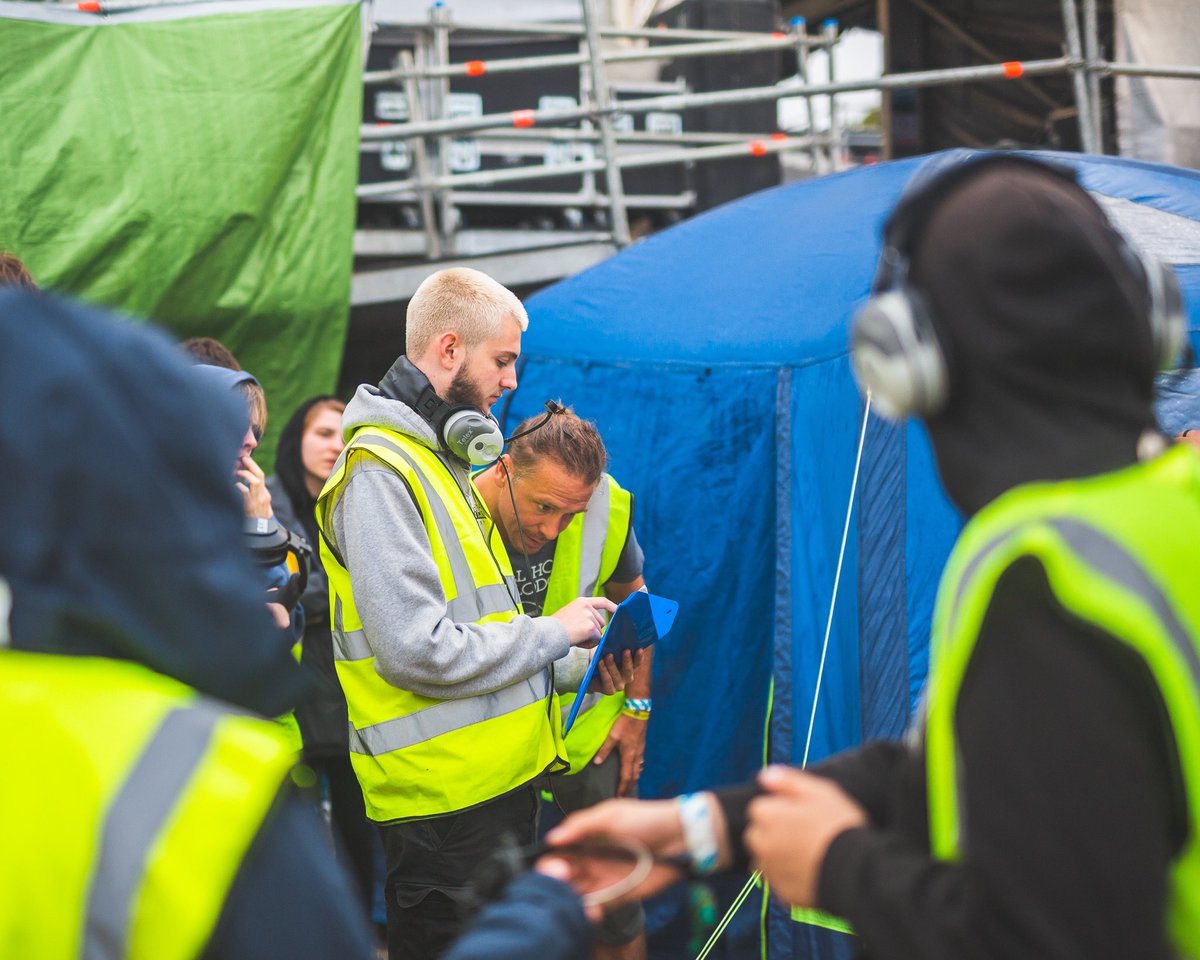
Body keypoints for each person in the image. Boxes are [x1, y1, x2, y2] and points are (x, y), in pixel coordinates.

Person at [550, 155, 1200, 960]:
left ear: (911, 362)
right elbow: (972, 760)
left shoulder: (1045, 570)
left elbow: (1050, 935)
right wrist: (709, 826)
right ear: (1151, 324)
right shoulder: (1167, 511)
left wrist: (837, 868)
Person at [0, 288, 372, 959]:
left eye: (256, 427)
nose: (249, 441)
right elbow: (276, 616)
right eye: (234, 428)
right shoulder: (188, 785)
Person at [314, 266, 619, 960]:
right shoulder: (379, 470)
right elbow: (417, 650)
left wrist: (573, 662)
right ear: (449, 350)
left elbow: (472, 627)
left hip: (495, 799)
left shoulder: (437, 460)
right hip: (445, 821)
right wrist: (553, 632)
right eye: (503, 359)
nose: (512, 381)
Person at [473, 406, 651, 960]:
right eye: (544, 507)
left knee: (617, 898)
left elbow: (638, 609)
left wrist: (636, 711)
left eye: (571, 513)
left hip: (586, 739)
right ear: (503, 470)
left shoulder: (607, 506)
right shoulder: (451, 509)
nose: (553, 529)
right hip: (490, 742)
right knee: (492, 902)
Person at [267, 395, 376, 913]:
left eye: (343, 435)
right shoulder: (263, 502)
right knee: (296, 836)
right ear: (297, 440)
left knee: (359, 834)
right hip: (288, 696)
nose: (335, 445)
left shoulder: (361, 504)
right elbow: (290, 588)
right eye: (323, 433)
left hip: (348, 695)